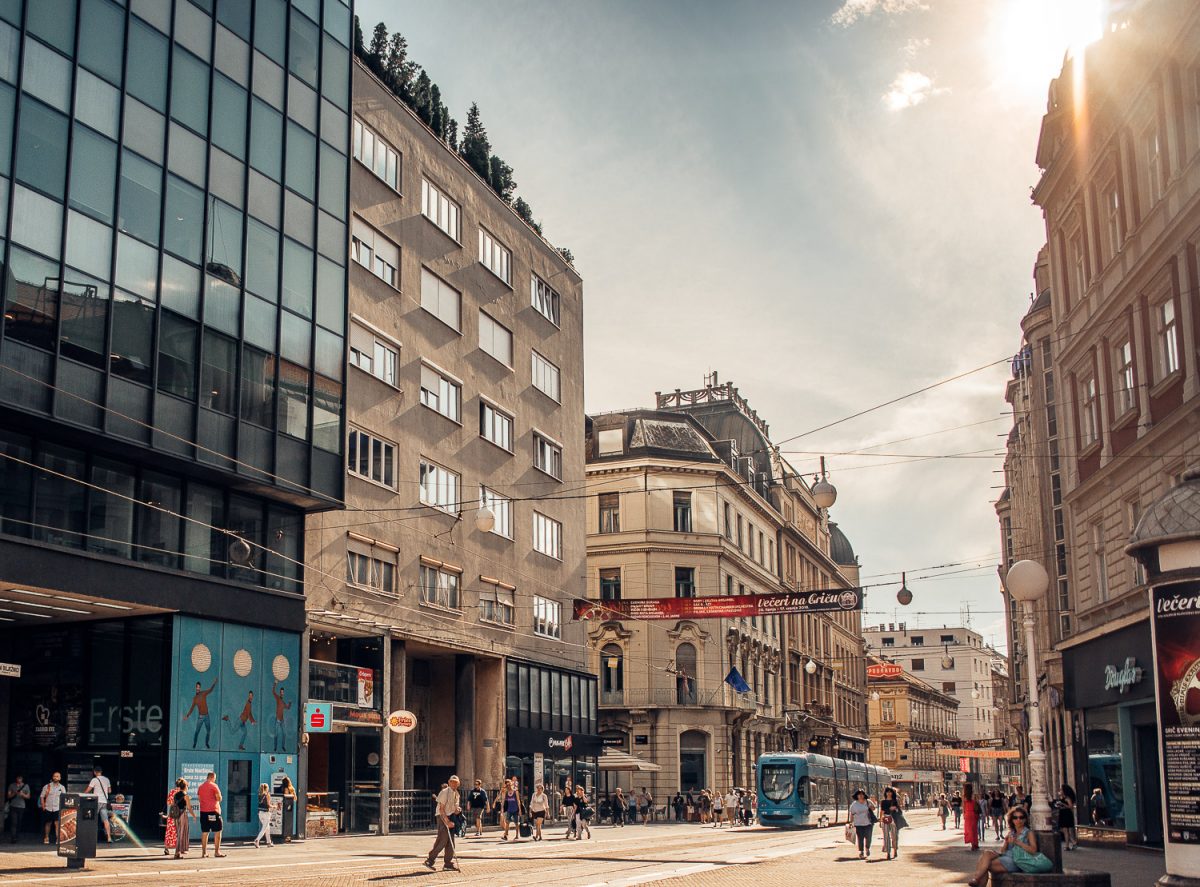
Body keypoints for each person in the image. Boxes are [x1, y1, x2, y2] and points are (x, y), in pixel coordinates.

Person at [969, 805, 1041, 886]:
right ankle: (976, 879)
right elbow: (1003, 851)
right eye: (1015, 817)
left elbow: (1033, 850)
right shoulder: (1012, 832)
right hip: (1006, 856)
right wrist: (1006, 842)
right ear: (1012, 820)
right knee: (986, 854)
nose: (1018, 820)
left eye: (1021, 817)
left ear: (1025, 819)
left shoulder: (1028, 833)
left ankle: (976, 878)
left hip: (1017, 860)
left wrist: (1017, 842)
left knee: (984, 864)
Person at [424, 774, 461, 872]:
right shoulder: (444, 792)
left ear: (458, 784)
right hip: (442, 816)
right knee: (443, 839)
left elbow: (454, 810)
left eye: (455, 782)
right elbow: (441, 809)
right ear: (449, 782)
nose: (453, 783)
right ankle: (430, 860)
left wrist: (458, 810)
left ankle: (448, 864)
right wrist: (447, 821)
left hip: (450, 816)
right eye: (452, 782)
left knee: (451, 842)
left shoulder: (457, 794)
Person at [196, 771, 225, 858]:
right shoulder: (214, 786)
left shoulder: (201, 787)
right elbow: (219, 798)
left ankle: (204, 852)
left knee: (205, 832)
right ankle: (217, 852)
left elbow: (199, 799)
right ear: (212, 777)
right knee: (218, 831)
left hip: (203, 812)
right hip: (213, 811)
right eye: (214, 778)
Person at [184, 679, 218, 749]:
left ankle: (207, 743)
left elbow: (210, 690)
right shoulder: (195, 698)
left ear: (200, 688)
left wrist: (214, 683)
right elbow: (192, 708)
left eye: (199, 687)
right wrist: (187, 716)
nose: (198, 688)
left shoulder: (203, 693)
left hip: (207, 716)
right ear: (195, 688)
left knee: (208, 731)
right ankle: (194, 743)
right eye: (197, 687)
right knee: (197, 731)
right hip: (201, 717)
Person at [165, 778, 194, 858]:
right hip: (181, 814)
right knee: (181, 833)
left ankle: (172, 850)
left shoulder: (174, 793)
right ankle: (178, 851)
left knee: (175, 833)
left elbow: (171, 803)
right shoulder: (184, 794)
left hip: (175, 815)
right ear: (184, 786)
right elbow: (189, 807)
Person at [85, 766, 113, 843]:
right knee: (105, 820)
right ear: (101, 771)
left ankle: (90, 837)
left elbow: (89, 789)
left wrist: (83, 794)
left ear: (94, 772)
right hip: (104, 802)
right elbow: (109, 791)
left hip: (96, 801)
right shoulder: (107, 779)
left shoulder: (94, 779)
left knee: (93, 819)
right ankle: (109, 838)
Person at [848, 789, 876, 860]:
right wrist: (851, 822)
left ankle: (867, 848)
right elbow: (852, 814)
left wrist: (870, 807)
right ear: (856, 795)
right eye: (859, 794)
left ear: (864, 795)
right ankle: (861, 852)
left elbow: (874, 808)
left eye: (862, 794)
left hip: (868, 823)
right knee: (860, 838)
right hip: (858, 824)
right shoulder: (854, 804)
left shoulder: (868, 801)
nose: (860, 796)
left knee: (868, 837)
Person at [40, 772, 66, 844]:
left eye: (57, 776)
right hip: (48, 807)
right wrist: (43, 806)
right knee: (48, 823)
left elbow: (64, 798)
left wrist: (63, 807)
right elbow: (42, 796)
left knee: (57, 824)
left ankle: (58, 838)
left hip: (57, 808)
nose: (55, 777)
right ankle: (46, 837)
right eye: (54, 776)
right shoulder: (47, 786)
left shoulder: (62, 787)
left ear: (60, 778)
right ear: (52, 777)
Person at [6, 775, 31, 843]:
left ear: (22, 779)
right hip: (13, 806)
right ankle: (13, 837)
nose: (19, 779)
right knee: (14, 822)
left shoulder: (26, 786)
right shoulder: (12, 785)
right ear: (16, 778)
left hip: (21, 807)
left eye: (20, 778)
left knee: (19, 822)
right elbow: (8, 796)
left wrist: (23, 794)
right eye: (18, 778)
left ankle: (17, 836)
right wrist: (14, 793)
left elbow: (28, 797)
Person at [879, 786, 901, 860]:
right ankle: (888, 852)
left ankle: (895, 850)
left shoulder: (895, 801)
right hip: (885, 818)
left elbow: (899, 811)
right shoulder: (883, 801)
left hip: (894, 819)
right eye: (887, 792)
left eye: (890, 792)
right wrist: (880, 820)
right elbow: (881, 811)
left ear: (892, 793)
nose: (889, 793)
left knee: (894, 836)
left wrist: (895, 808)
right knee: (886, 836)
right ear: (885, 793)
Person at [271, 680, 292, 752]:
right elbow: (273, 692)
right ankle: (275, 747)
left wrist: (290, 703)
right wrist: (275, 684)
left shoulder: (283, 702)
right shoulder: (278, 698)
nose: (282, 693)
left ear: (283, 693)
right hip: (277, 720)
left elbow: (288, 708)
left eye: (283, 692)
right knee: (276, 734)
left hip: (282, 720)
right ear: (280, 693)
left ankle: (283, 746)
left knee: (284, 734)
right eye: (281, 692)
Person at [254, 783, 275, 848]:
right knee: (264, 828)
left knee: (267, 828)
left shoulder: (260, 795)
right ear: (267, 788)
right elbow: (268, 805)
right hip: (266, 813)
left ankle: (269, 842)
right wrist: (274, 806)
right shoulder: (267, 795)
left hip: (260, 813)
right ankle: (257, 840)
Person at [1059, 783, 1078, 850]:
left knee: (1066, 830)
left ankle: (1069, 844)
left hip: (1067, 814)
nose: (1060, 791)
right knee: (1064, 830)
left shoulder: (1067, 798)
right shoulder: (1063, 797)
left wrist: (1063, 804)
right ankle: (1072, 843)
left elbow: (1070, 806)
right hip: (1063, 814)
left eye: (1061, 789)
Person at [962, 783, 981, 852]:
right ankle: (975, 843)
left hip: (967, 813)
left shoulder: (964, 796)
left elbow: (963, 806)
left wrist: (964, 814)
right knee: (974, 829)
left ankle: (973, 844)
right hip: (974, 813)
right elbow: (977, 803)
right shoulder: (973, 795)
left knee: (969, 830)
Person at [278, 776, 297, 842]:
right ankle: (288, 836)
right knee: (289, 821)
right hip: (290, 807)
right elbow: (295, 798)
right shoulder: (292, 788)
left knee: (284, 821)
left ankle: (285, 836)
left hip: (284, 807)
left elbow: (285, 796)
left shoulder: (285, 788)